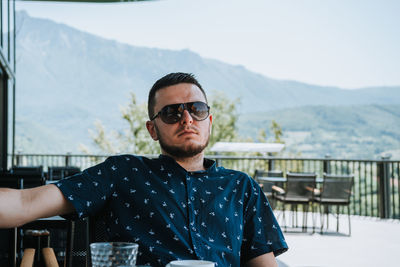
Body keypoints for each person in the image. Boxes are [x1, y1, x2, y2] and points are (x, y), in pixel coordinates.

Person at [0, 72, 288, 266]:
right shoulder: (122, 172)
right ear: (153, 129)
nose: (186, 119)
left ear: (209, 121)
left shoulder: (241, 187)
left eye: (196, 109)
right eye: (172, 112)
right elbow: (25, 203)